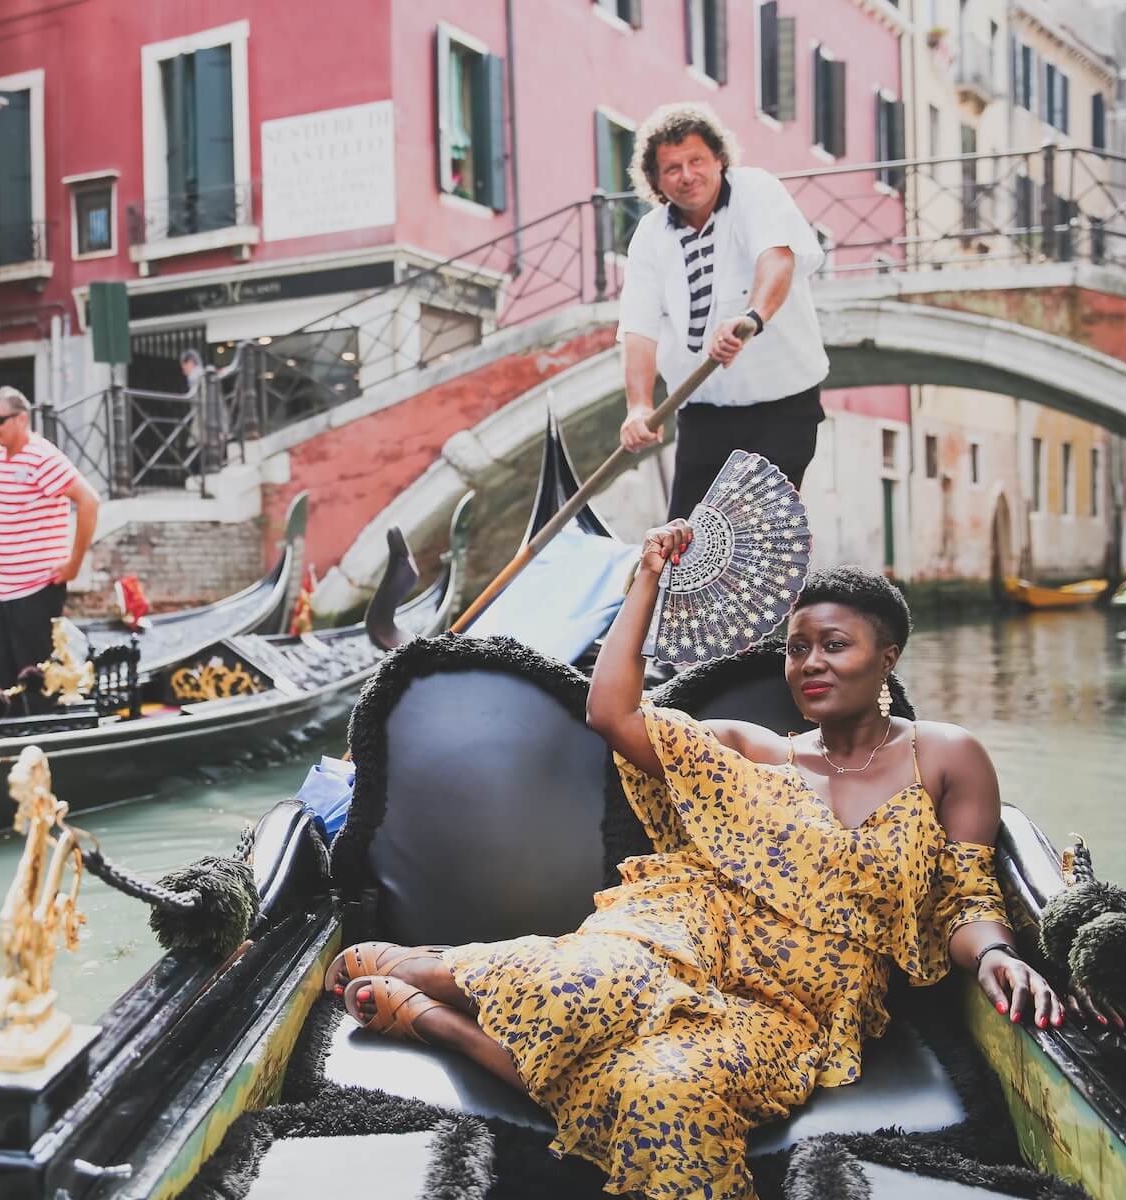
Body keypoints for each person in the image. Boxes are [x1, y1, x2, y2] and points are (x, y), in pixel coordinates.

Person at [325, 520, 1068, 1200]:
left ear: (888, 657)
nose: (809, 663)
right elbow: (613, 714)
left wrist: (997, 956)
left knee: (665, 1090)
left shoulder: (944, 755)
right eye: (796, 647)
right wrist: (646, 578)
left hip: (792, 1004)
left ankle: (442, 1023)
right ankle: (423, 965)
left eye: (834, 645)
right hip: (681, 930)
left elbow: (965, 899)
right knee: (588, 986)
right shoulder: (752, 748)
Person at [616, 104, 830, 521]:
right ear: (657, 181)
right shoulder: (650, 235)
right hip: (703, 410)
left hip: (782, 405)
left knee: (759, 539)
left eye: (696, 160)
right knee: (687, 540)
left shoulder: (754, 191)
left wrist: (752, 318)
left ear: (718, 159)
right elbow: (639, 327)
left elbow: (777, 259)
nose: (687, 175)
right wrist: (639, 406)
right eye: (672, 168)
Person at [0, 386, 99, 688]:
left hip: (35, 591)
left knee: (35, 684)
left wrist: (74, 565)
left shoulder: (41, 456)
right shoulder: (0, 456)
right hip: (1, 590)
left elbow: (89, 500)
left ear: (21, 419)